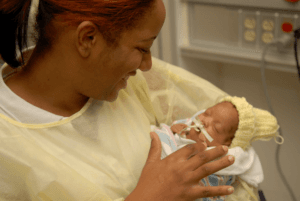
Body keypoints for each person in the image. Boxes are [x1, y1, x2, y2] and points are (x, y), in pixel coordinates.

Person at [0, 0, 237, 200]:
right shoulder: (8, 149)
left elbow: (230, 113)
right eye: (143, 49)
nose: (148, 66)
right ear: (87, 38)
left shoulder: (120, 83)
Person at [151, 96, 283, 201]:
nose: (204, 121)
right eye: (207, 113)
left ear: (225, 145)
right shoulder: (186, 125)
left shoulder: (220, 162)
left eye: (215, 128)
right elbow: (161, 134)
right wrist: (173, 131)